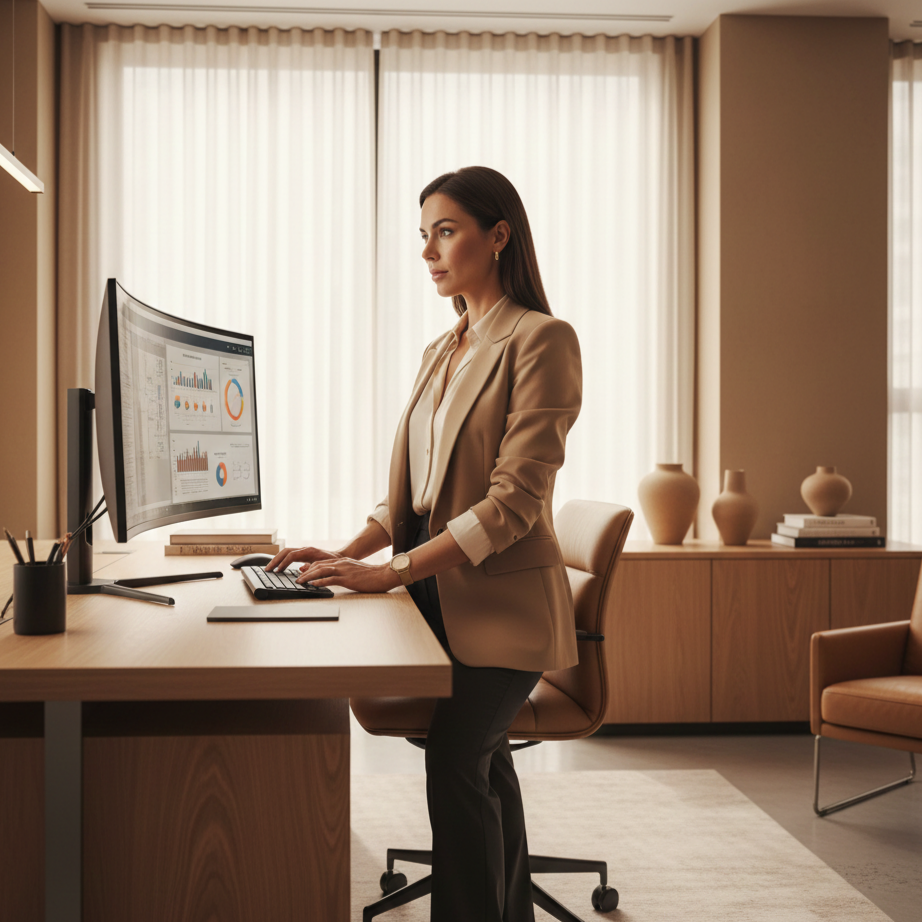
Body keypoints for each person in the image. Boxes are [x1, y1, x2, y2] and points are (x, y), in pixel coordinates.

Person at [267, 165, 583, 922]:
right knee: (480, 762)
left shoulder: (540, 340)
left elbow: (512, 503)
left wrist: (389, 573)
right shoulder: (444, 349)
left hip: (505, 613)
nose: (428, 252)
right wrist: (341, 553)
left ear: (497, 235)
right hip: (436, 600)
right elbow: (414, 497)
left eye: (445, 231)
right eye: (424, 236)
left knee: (454, 760)